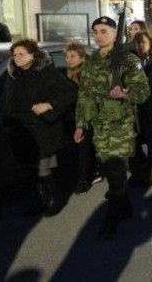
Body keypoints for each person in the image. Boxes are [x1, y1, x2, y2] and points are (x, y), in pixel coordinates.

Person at [74, 16, 150, 239]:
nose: (98, 35)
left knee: (116, 171)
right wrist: (80, 124)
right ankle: (124, 208)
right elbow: (84, 95)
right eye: (95, 31)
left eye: (104, 31)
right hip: (99, 125)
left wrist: (126, 93)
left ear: (115, 34)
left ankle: (111, 219)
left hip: (119, 125)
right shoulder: (90, 60)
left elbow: (143, 91)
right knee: (108, 169)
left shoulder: (127, 59)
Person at [3, 39, 77, 216]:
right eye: (14, 55)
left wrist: (49, 105)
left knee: (43, 167)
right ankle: (41, 201)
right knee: (31, 168)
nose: (17, 58)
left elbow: (70, 93)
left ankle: (52, 202)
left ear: (33, 55)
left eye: (22, 54)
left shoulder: (47, 74)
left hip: (43, 130)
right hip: (22, 131)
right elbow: (7, 99)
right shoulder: (14, 75)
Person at [63, 43, 101, 194]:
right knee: (83, 148)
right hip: (74, 116)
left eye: (73, 56)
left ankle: (83, 179)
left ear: (82, 57)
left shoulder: (84, 73)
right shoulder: (69, 72)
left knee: (83, 149)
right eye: (67, 57)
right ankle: (90, 172)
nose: (69, 60)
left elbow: (87, 98)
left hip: (86, 116)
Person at [131, 32, 152, 186]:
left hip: (151, 107)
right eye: (137, 43)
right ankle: (141, 167)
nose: (140, 46)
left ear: (150, 43)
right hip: (135, 108)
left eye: (143, 42)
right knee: (136, 140)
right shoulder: (131, 60)